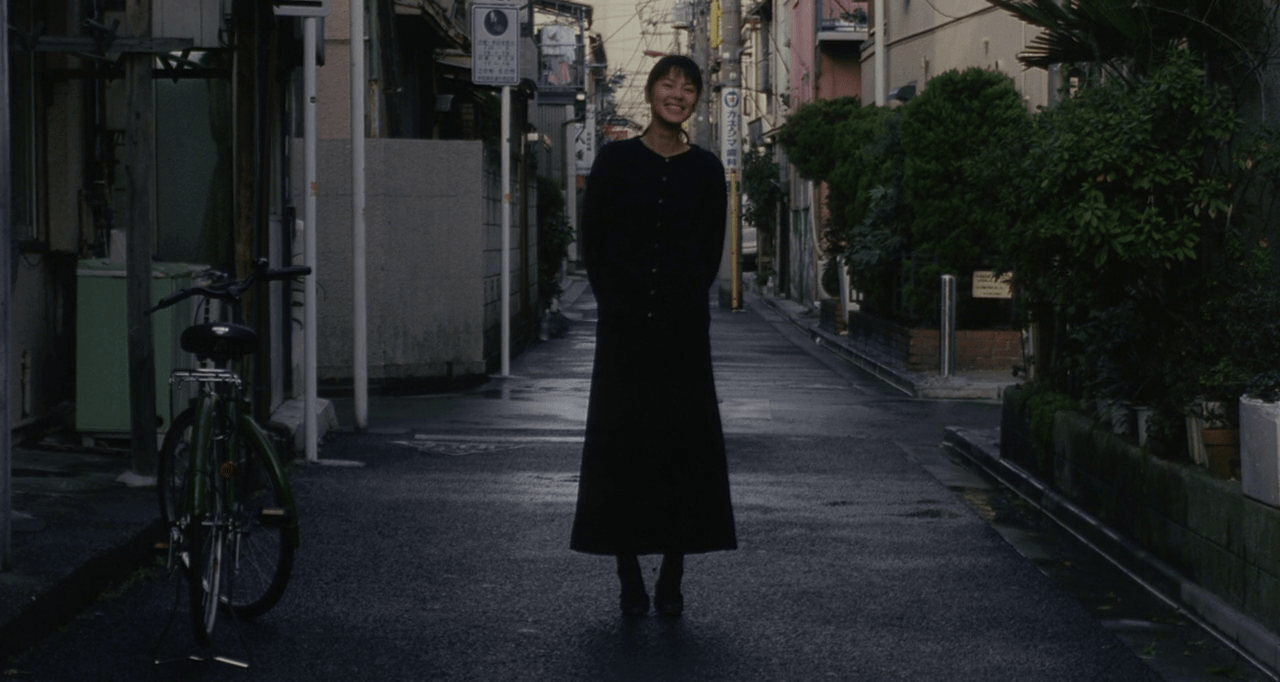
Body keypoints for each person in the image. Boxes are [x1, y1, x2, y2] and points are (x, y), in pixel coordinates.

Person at [569, 55, 737, 618]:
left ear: (696, 101)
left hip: (683, 336)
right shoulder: (615, 161)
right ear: (651, 91)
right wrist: (618, 303)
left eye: (688, 88)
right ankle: (626, 574)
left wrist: (681, 306)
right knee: (622, 452)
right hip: (623, 336)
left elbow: (710, 252)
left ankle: (673, 573)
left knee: (682, 453)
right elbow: (594, 244)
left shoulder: (708, 170)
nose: (678, 94)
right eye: (669, 84)